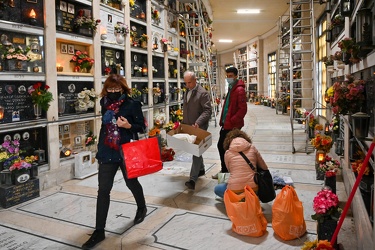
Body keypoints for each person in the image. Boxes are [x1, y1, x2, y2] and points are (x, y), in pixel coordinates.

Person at [82, 74, 147, 249]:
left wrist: (128, 126)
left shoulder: (132, 104)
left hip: (125, 150)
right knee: (103, 190)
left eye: (116, 89)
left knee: (131, 182)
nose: (113, 92)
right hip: (107, 150)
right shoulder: (104, 103)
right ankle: (99, 230)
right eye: (110, 89)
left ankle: (142, 207)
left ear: (123, 88)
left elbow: (142, 126)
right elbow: (105, 126)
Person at [212, 66, 247, 179]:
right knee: (224, 147)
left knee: (223, 147)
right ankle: (227, 171)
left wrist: (232, 121)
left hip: (232, 126)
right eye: (227, 76)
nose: (228, 78)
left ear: (236, 76)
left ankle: (226, 172)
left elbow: (243, 109)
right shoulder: (232, 88)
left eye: (230, 76)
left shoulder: (239, 90)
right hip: (227, 124)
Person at [214, 129, 269, 198]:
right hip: (253, 189)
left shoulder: (227, 153)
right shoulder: (252, 148)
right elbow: (264, 167)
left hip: (235, 190)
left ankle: (235, 199)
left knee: (217, 188)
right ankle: (250, 198)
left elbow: (230, 170)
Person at [182, 71, 212, 190]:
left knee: (196, 151)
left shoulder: (202, 93)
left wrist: (198, 122)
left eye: (189, 82)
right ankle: (201, 169)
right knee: (196, 150)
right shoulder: (187, 91)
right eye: (186, 83)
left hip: (199, 126)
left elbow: (207, 111)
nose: (187, 85)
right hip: (189, 126)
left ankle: (192, 179)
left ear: (195, 80)